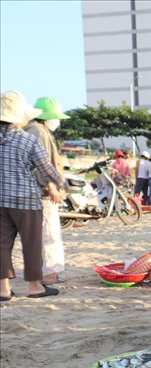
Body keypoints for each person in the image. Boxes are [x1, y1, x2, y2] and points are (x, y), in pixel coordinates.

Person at [0, 90, 64, 300]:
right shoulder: (29, 140)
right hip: (26, 201)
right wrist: (61, 182)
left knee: (2, 245)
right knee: (31, 245)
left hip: (1, 200)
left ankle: (3, 290)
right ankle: (35, 287)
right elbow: (46, 169)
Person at [24, 96, 69, 286]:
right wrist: (50, 187)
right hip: (42, 191)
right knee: (49, 232)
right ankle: (49, 273)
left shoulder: (35, 129)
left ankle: (49, 271)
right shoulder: (39, 132)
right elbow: (39, 164)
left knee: (44, 232)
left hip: (37, 190)